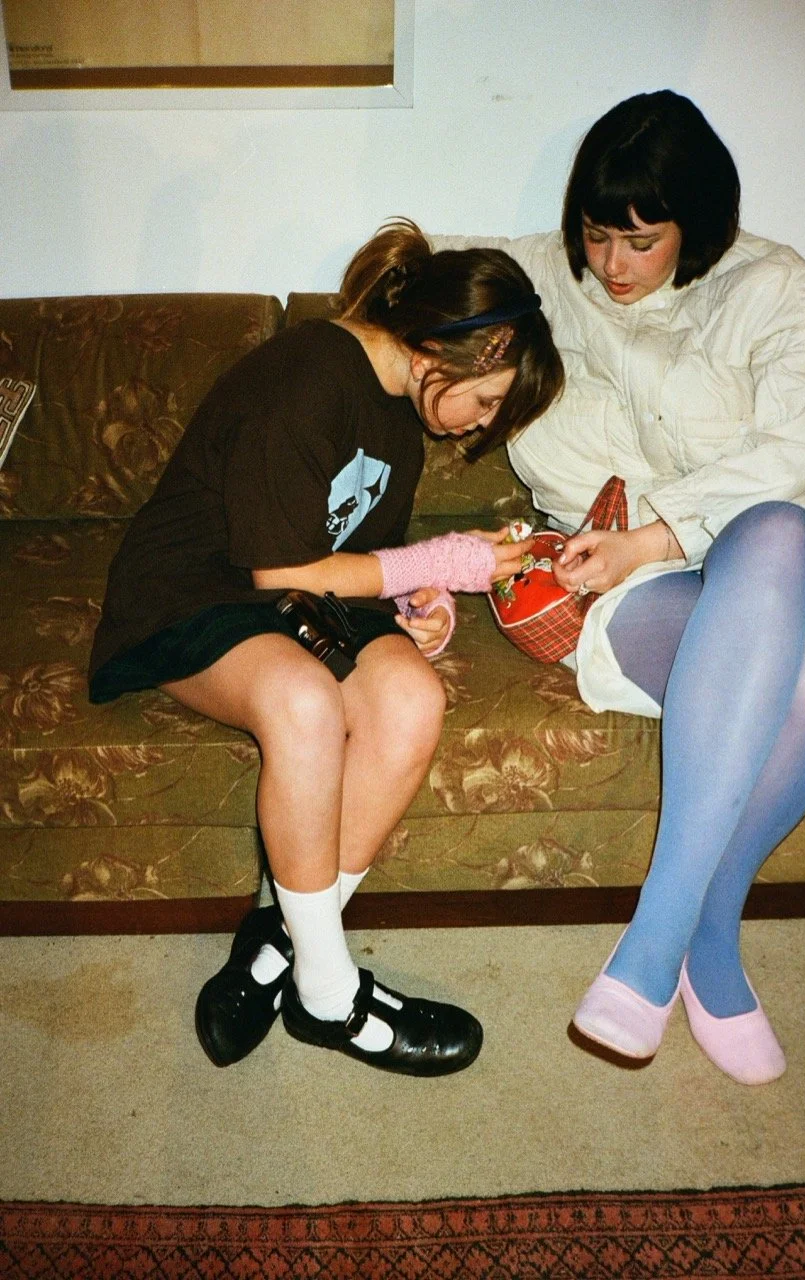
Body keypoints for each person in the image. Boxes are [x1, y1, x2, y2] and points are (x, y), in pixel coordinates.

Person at [435, 90, 805, 1084]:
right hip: (630, 594)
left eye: (642, 240)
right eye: (596, 235)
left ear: (695, 228)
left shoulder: (779, 290)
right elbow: (405, 305)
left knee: (776, 536)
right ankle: (710, 938)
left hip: (793, 555)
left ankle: (652, 941)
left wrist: (661, 535)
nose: (612, 267)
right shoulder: (536, 276)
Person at [88, 219, 563, 1075]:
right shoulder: (309, 373)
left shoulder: (394, 411)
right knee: (303, 702)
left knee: (413, 695)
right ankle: (330, 997)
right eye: (487, 400)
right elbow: (276, 566)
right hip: (199, 588)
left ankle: (279, 942)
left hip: (297, 596)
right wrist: (434, 563)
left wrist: (421, 600)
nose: (479, 427)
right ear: (441, 353)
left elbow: (357, 554)